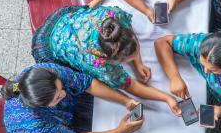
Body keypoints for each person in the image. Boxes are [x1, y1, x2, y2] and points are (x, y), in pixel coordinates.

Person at [31, 6, 181, 115]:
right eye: (130, 58)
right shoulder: (99, 64)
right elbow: (129, 85)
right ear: (113, 61)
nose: (136, 56)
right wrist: (166, 98)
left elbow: (126, 36)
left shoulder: (114, 17)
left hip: (62, 18)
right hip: (46, 45)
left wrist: (138, 63)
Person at [2, 63, 144, 133]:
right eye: (57, 97)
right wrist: (120, 131)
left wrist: (126, 101)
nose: (64, 93)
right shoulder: (36, 124)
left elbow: (87, 83)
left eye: (61, 87)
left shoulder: (46, 72)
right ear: (44, 106)